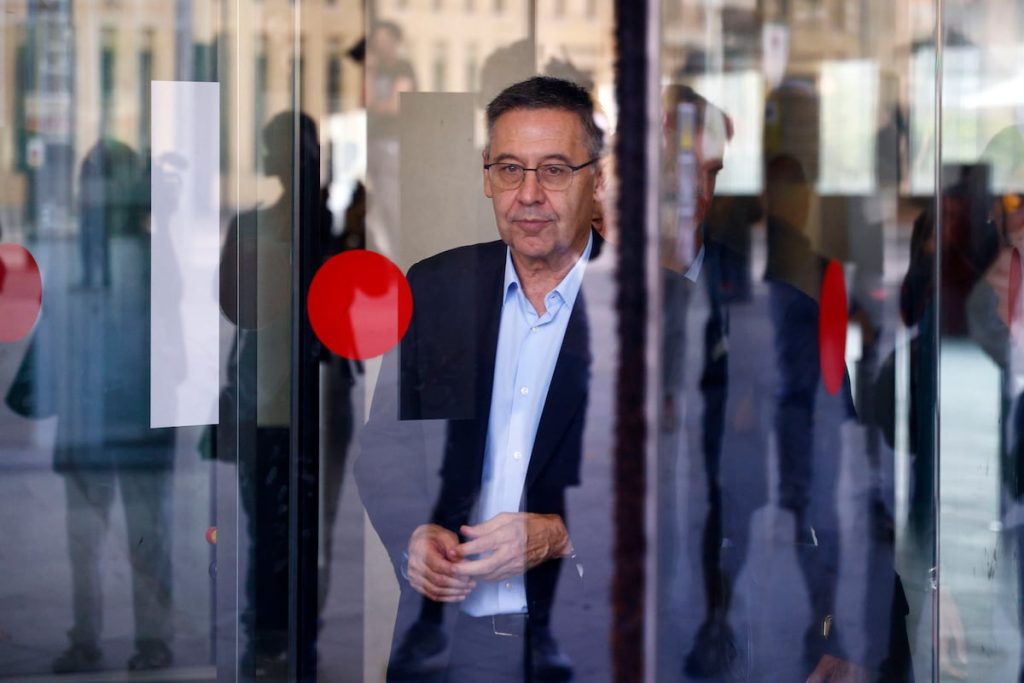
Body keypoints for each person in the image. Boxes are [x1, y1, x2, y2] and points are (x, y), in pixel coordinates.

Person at [355, 75, 605, 682]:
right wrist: (412, 535)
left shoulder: (659, 310)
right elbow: (387, 448)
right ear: (486, 175)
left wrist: (564, 534)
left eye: (554, 170)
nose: (529, 195)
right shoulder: (438, 289)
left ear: (596, 180)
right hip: (446, 646)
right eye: (510, 169)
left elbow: (692, 487)